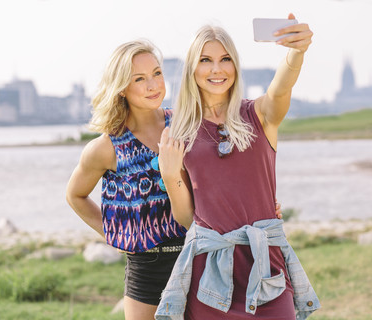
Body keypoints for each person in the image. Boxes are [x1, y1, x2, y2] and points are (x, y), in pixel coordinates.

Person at [66, 40, 282, 320]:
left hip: (199, 258)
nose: (153, 85)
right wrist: (112, 235)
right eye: (139, 79)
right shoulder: (106, 147)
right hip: (147, 268)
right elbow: (75, 195)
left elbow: (227, 175)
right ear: (121, 87)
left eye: (157, 73)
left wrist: (262, 205)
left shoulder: (186, 124)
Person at [155, 13, 319, 320]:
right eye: (205, 60)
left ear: (235, 65)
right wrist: (168, 174)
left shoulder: (260, 115)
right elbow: (188, 218)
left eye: (225, 59)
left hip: (266, 268)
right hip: (210, 278)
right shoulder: (179, 134)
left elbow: (280, 90)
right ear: (192, 68)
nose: (216, 69)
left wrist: (296, 52)